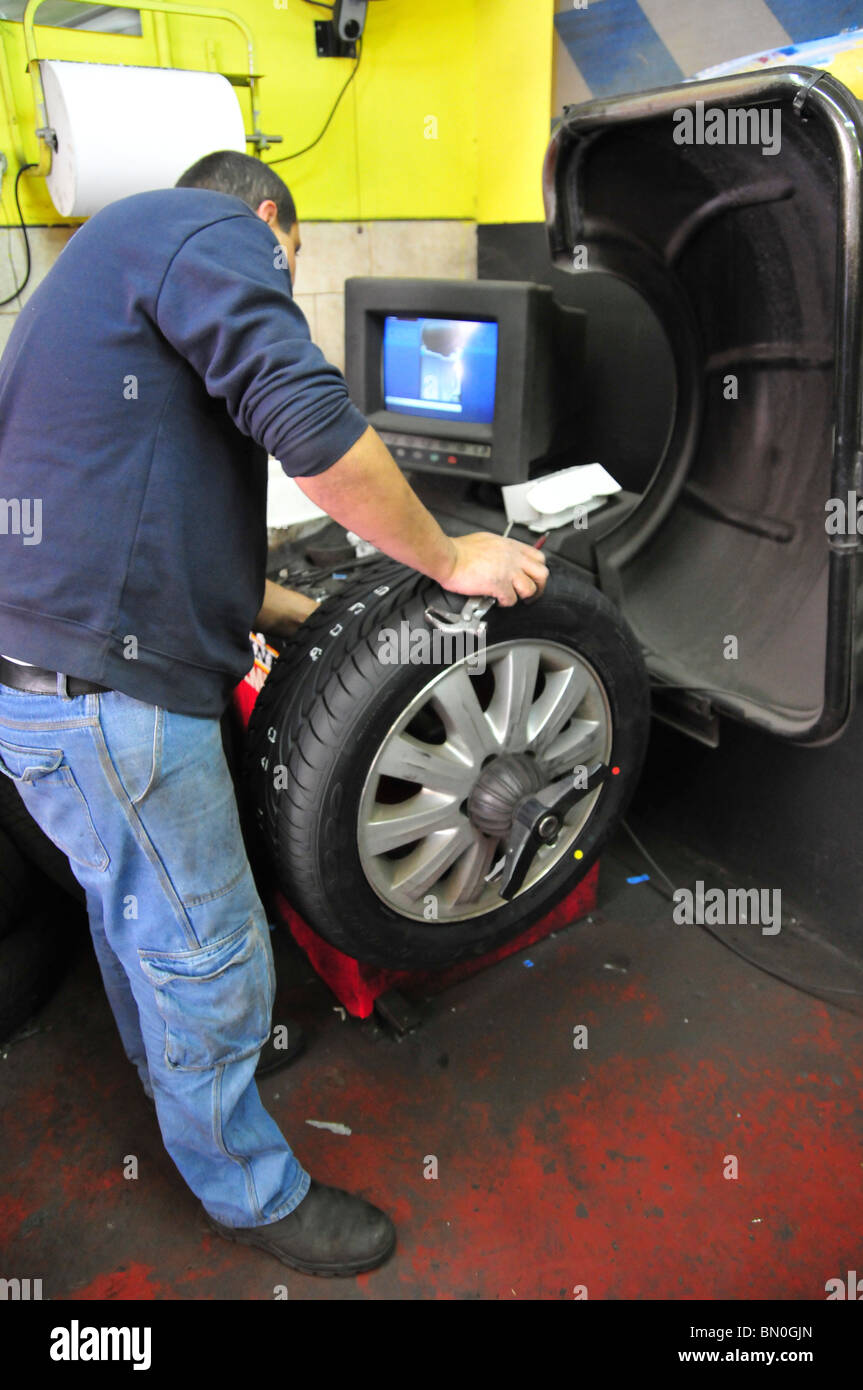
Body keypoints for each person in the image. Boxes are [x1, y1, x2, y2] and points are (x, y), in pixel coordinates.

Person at [0, 150, 548, 1278]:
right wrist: (449, 553)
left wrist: (320, 617)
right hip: (111, 707)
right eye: (285, 266)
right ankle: (248, 1188)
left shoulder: (99, 268)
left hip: (42, 691)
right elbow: (308, 425)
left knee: (134, 916)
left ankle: (182, 1081)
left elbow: (155, 529)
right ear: (267, 221)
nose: (276, 281)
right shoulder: (209, 233)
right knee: (212, 956)